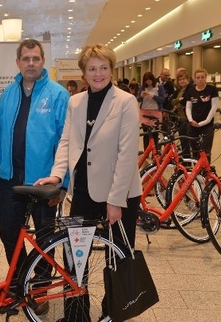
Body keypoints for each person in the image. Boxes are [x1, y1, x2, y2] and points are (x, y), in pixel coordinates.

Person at [35, 44, 142, 322]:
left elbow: (127, 153)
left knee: (117, 257)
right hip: (82, 192)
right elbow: (67, 142)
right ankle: (76, 315)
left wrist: (115, 201)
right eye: (92, 68)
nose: (98, 74)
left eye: (103, 67)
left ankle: (113, 312)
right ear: (84, 73)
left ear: (111, 69)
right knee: (75, 257)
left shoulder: (126, 102)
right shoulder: (76, 102)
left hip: (119, 193)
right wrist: (58, 174)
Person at [0, 39, 69, 315]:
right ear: (18, 63)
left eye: (36, 58)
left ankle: (40, 287)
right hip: (10, 180)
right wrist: (0, 173)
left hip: (44, 183)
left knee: (45, 239)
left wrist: (64, 183)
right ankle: (18, 282)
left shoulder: (58, 95)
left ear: (43, 60)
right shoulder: (8, 95)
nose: (31, 63)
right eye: (26, 59)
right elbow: (0, 137)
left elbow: (66, 142)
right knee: (8, 234)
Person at [185, 68, 219, 163]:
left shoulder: (212, 90)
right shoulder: (191, 91)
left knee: (205, 151)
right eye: (198, 77)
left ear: (206, 78)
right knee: (195, 151)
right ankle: (196, 173)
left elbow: (214, 107)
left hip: (207, 125)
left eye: (202, 77)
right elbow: (188, 107)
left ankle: (206, 173)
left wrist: (204, 122)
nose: (200, 79)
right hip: (193, 125)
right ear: (195, 79)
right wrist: (191, 120)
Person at [137, 71, 166, 150]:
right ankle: (146, 152)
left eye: (150, 80)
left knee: (155, 134)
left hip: (155, 112)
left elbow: (162, 99)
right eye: (146, 80)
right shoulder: (142, 87)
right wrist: (141, 96)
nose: (148, 82)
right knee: (146, 133)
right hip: (144, 111)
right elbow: (138, 99)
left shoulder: (158, 86)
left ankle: (155, 153)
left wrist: (153, 96)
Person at [171, 70, 193, 158]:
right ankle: (185, 160)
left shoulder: (190, 89)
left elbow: (185, 101)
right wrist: (177, 102)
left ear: (188, 79)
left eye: (184, 79)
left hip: (187, 118)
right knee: (183, 140)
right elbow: (171, 101)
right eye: (180, 79)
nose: (182, 81)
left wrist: (178, 102)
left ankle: (187, 162)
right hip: (180, 118)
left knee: (187, 141)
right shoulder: (179, 90)